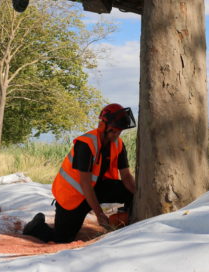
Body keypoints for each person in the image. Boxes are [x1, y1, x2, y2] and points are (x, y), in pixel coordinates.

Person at [23, 103, 137, 243]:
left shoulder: (118, 144)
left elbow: (126, 176)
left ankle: (127, 223)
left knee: (129, 191)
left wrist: (138, 193)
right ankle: (36, 226)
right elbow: (85, 184)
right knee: (62, 239)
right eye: (114, 130)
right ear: (103, 125)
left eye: (120, 131)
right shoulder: (86, 144)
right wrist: (99, 214)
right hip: (73, 195)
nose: (117, 134)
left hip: (97, 188)